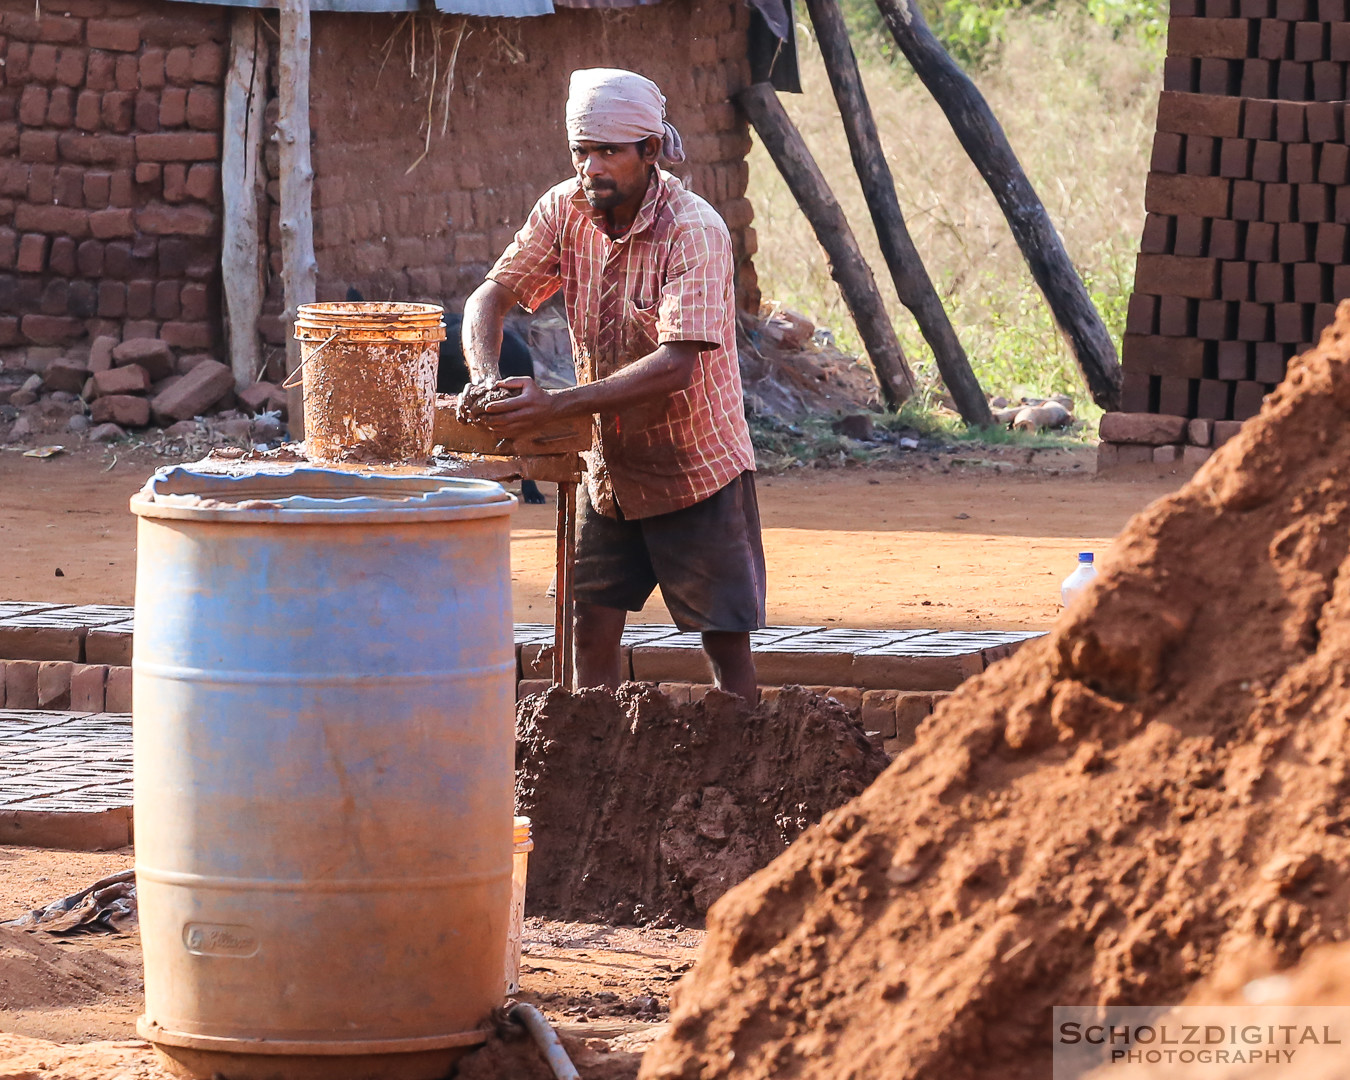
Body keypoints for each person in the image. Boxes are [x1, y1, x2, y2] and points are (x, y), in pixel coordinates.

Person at [460, 67, 764, 702]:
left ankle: (742, 767)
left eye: (607, 152)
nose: (590, 167)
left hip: (696, 469)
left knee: (722, 637)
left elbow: (677, 364)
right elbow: (493, 296)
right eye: (580, 151)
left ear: (650, 152)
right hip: (613, 471)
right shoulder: (563, 209)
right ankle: (588, 765)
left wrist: (557, 404)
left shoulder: (694, 229)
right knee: (588, 623)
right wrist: (486, 378)